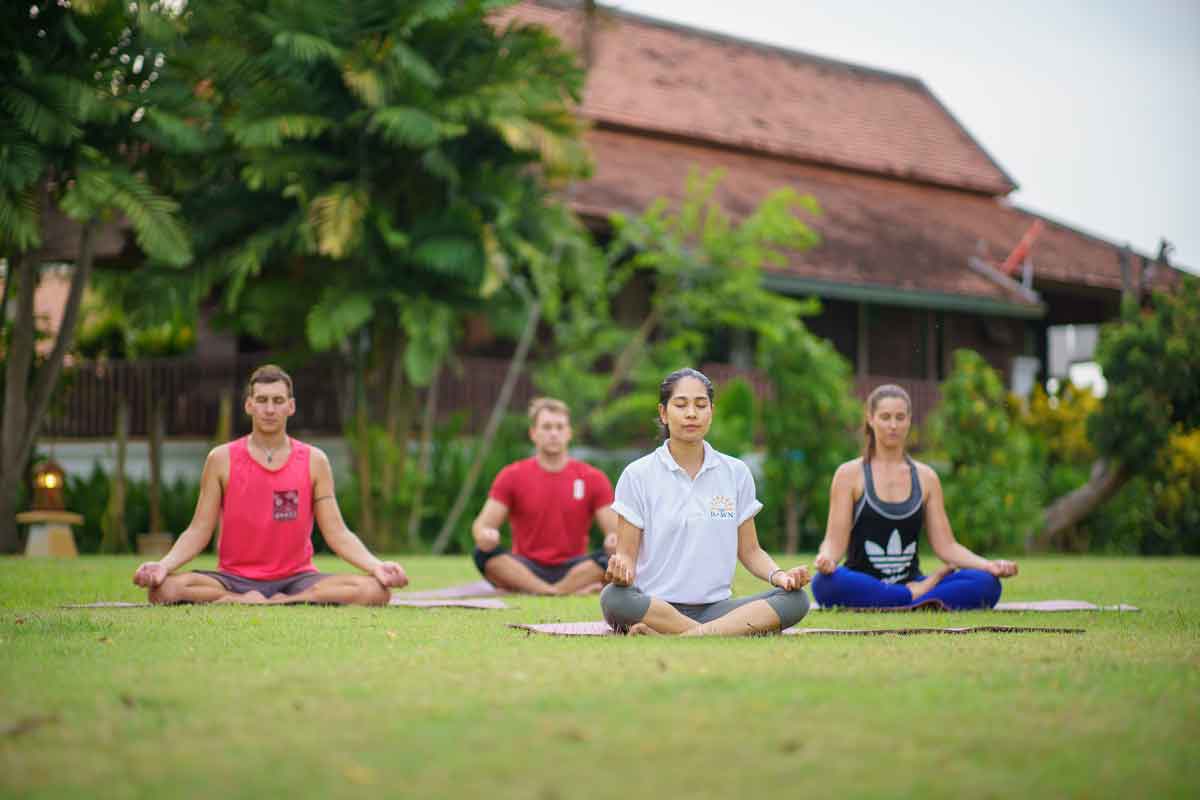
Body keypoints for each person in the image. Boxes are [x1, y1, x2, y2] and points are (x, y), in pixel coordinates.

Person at [132, 364, 408, 605]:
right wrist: (163, 565)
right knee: (163, 590)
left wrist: (377, 566)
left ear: (291, 406)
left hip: (298, 580)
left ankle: (283, 602)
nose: (269, 409)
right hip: (233, 579)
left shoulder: (315, 461)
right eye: (262, 400)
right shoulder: (221, 459)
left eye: (278, 400)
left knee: (375, 591)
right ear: (249, 405)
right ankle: (242, 600)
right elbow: (198, 531)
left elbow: (337, 533)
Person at [600, 368, 811, 636]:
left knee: (796, 600)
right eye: (681, 404)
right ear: (664, 413)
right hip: (654, 606)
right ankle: (719, 633)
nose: (691, 413)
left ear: (711, 412)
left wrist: (780, 576)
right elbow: (626, 556)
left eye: (701, 405)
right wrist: (621, 571)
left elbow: (751, 551)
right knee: (614, 598)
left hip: (717, 608)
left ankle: (684, 635)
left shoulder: (735, 473)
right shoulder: (638, 475)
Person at [810, 384, 1018, 610]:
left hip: (913, 580)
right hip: (863, 582)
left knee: (987, 584)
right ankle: (914, 598)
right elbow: (834, 542)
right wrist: (826, 559)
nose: (893, 425)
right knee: (824, 583)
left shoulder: (926, 477)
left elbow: (946, 546)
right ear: (870, 419)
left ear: (909, 420)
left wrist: (988, 566)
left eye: (900, 417)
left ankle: (901, 598)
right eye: (885, 417)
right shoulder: (849, 475)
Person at [470, 397, 618, 595]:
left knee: (611, 557)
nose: (554, 433)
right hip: (525, 567)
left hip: (575, 568)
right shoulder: (512, 475)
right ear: (533, 433)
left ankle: (545, 590)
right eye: (547, 427)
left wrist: (613, 539)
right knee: (483, 554)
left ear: (569, 433)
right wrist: (485, 535)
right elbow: (482, 525)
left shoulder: (593, 477)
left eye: (559, 427)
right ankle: (557, 591)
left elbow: (616, 533)